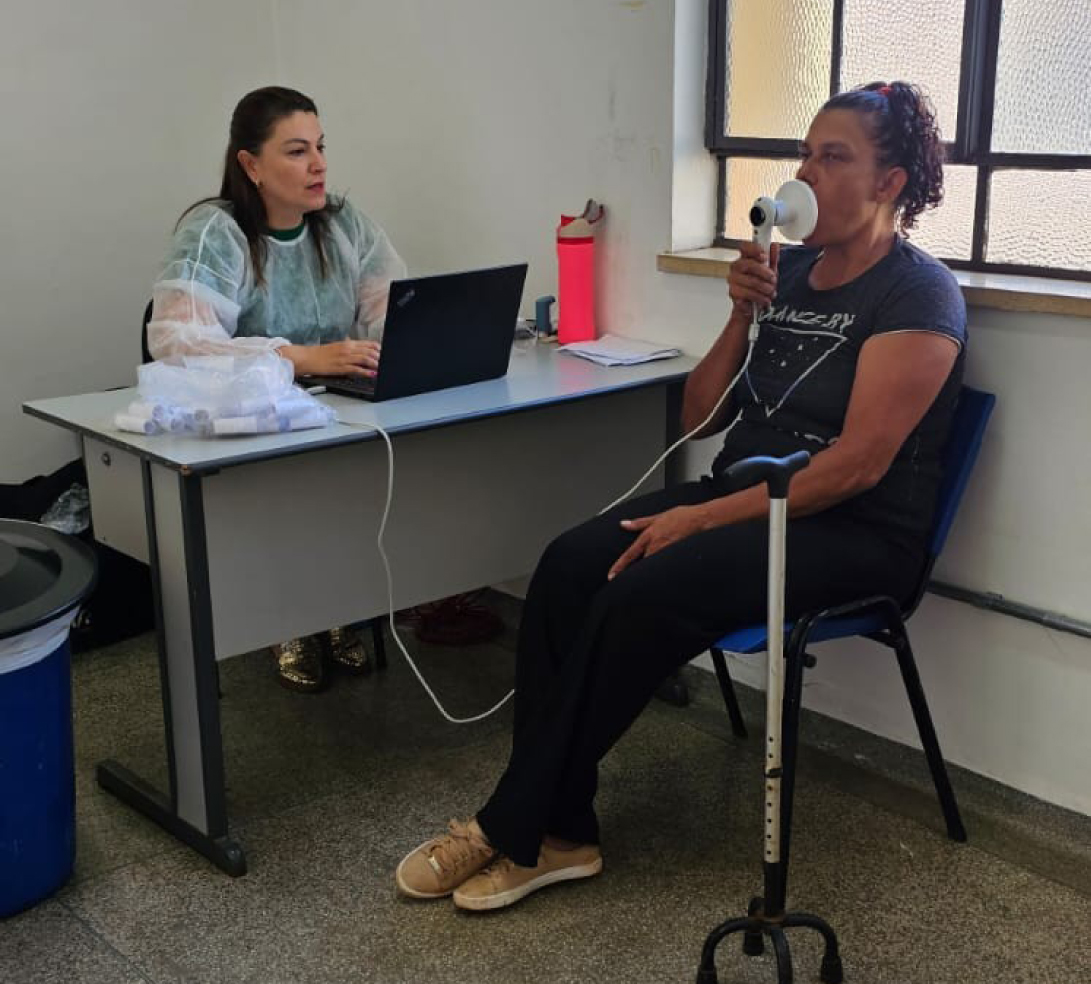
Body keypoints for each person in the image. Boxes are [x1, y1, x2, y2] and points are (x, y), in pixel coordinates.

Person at [394, 81, 967, 911]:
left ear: (889, 181)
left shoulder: (917, 294)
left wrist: (697, 518)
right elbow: (699, 417)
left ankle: (508, 825)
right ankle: (562, 832)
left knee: (645, 588)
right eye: (805, 153)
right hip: (741, 503)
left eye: (832, 157)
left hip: (852, 532)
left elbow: (855, 468)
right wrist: (738, 314)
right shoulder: (786, 272)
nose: (805, 173)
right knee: (567, 564)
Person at [148, 86, 406, 693]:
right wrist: (298, 358)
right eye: (296, 151)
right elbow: (178, 343)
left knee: (364, 473)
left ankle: (337, 607)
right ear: (251, 165)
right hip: (251, 421)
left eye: (320, 147)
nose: (318, 165)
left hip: (335, 412)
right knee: (288, 487)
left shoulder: (343, 225)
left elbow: (391, 307)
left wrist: (406, 344)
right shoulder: (215, 232)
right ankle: (284, 618)